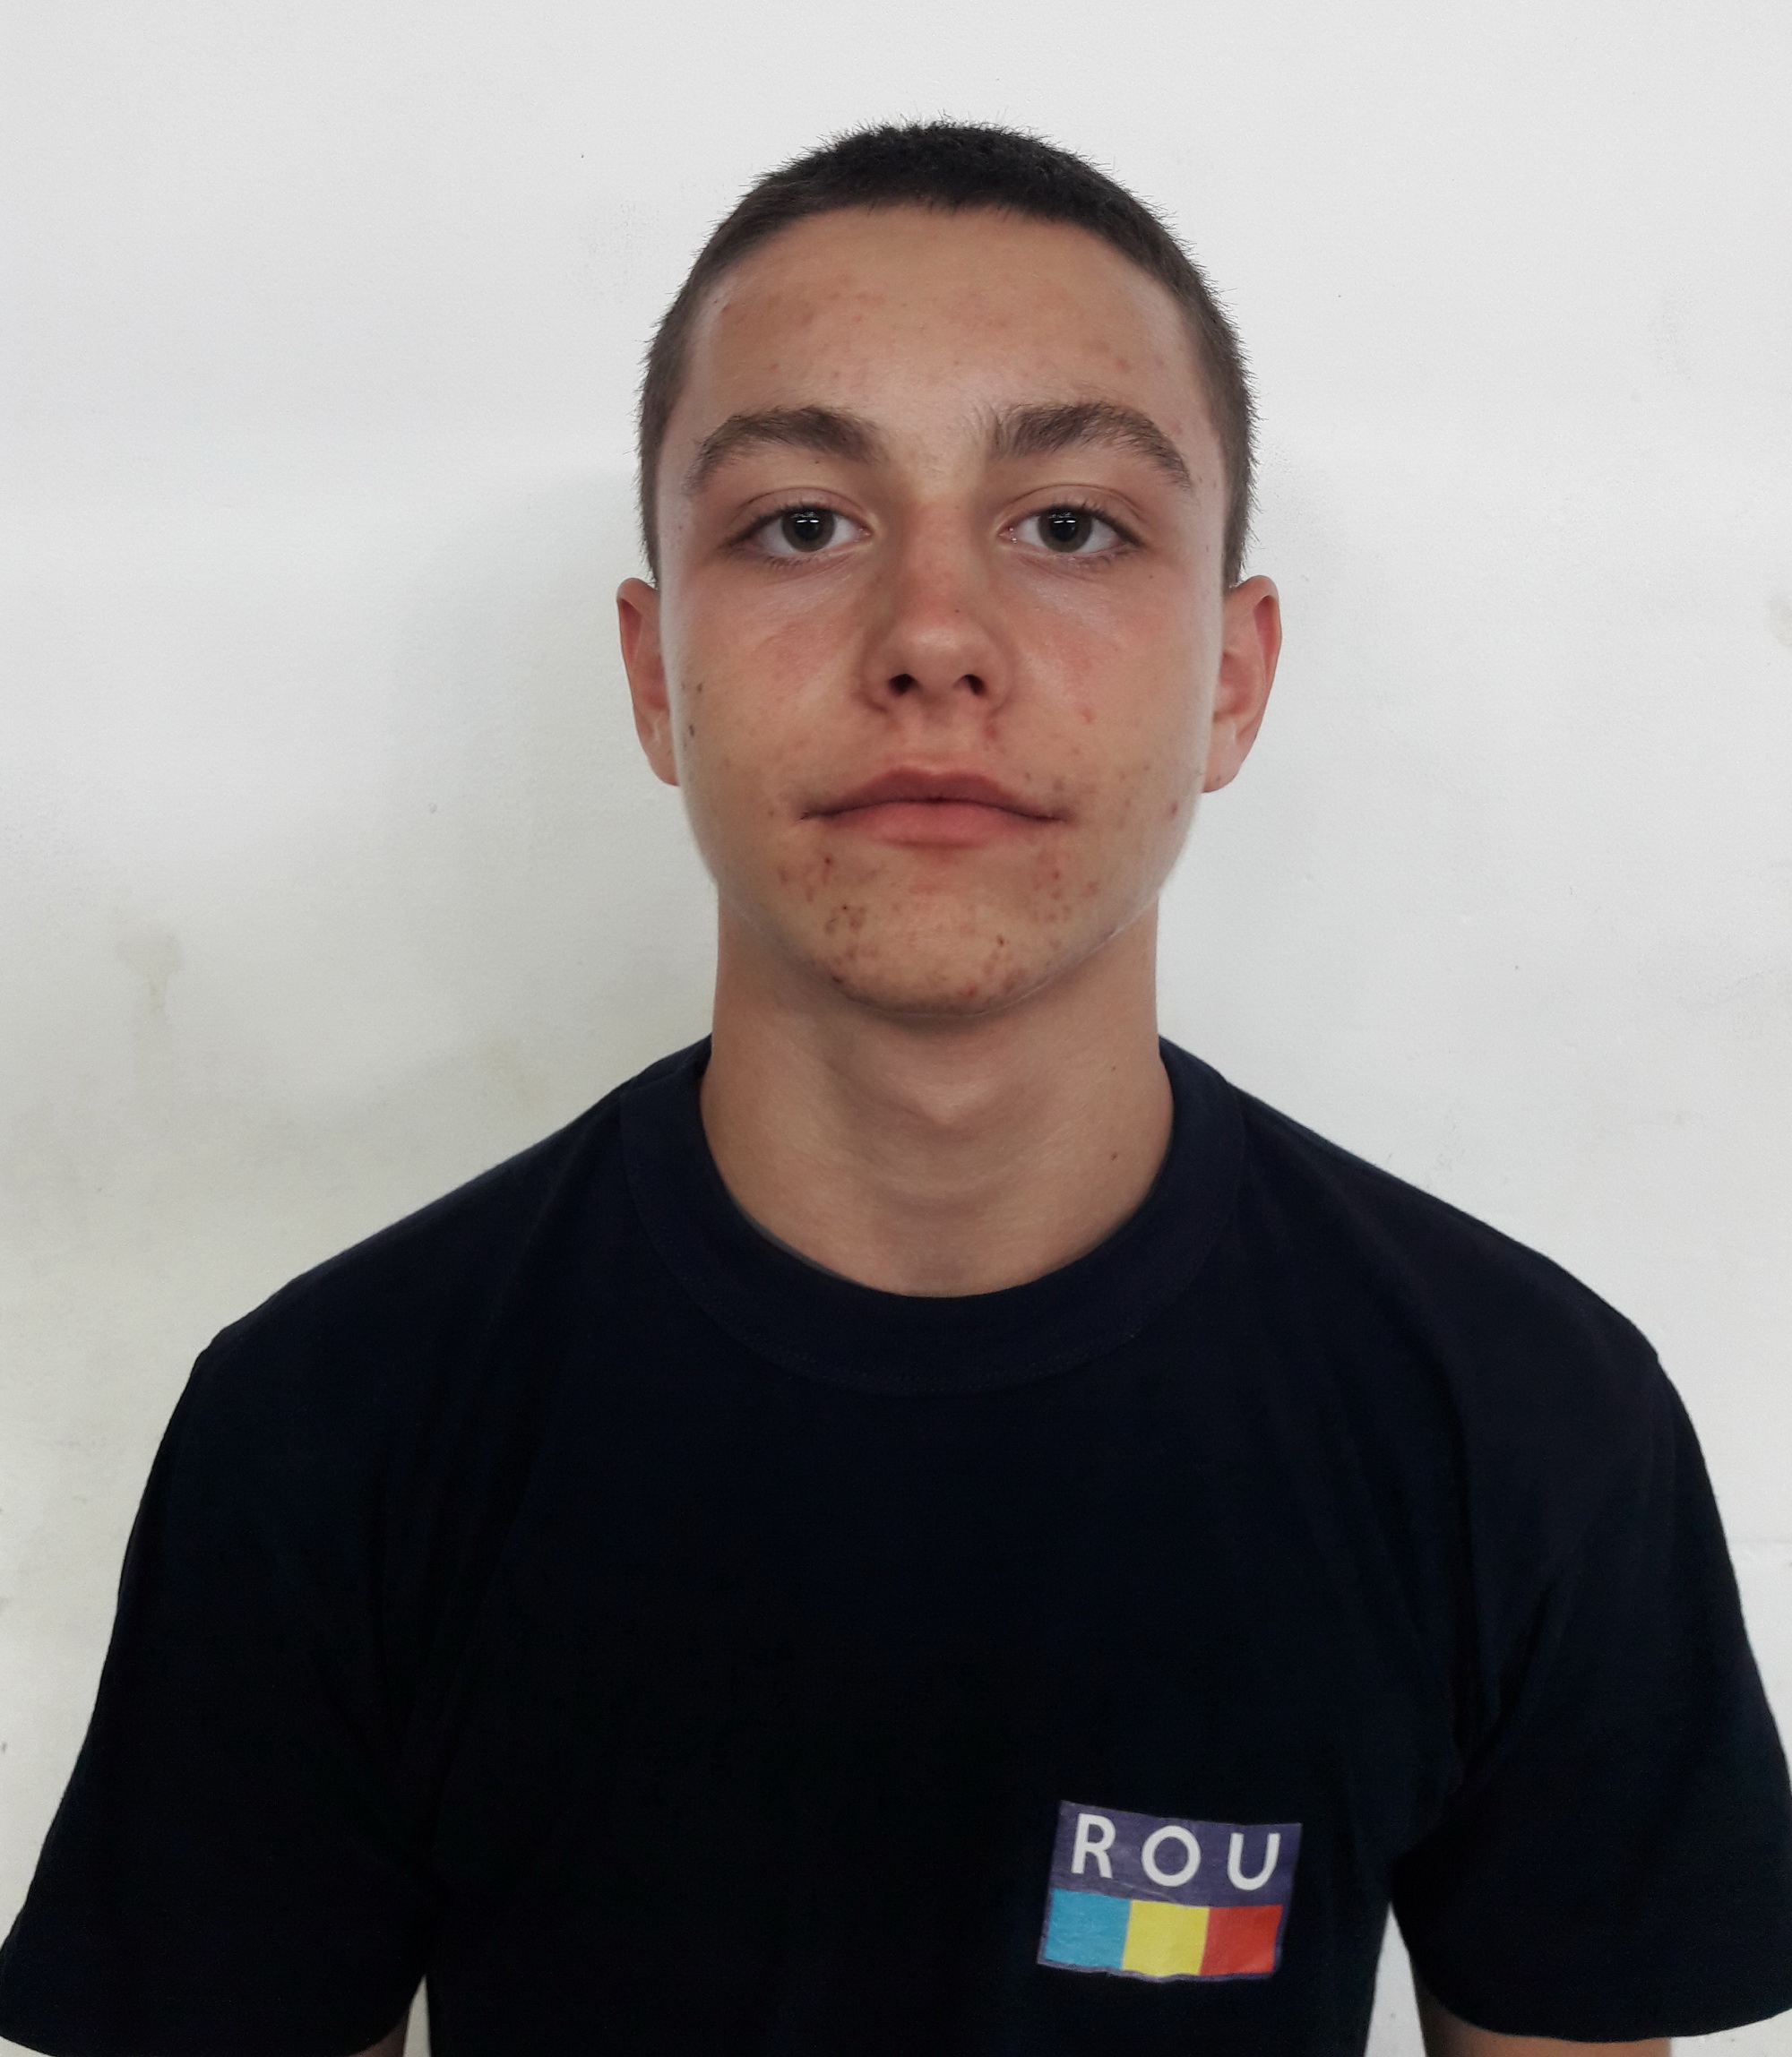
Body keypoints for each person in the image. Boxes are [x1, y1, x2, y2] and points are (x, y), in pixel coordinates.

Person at [1, 121, 1788, 2057]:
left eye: (1071, 524)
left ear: (1232, 676)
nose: (934, 638)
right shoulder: (328, 1431)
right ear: (655, 676)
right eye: (800, 523)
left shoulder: (1526, 1424)